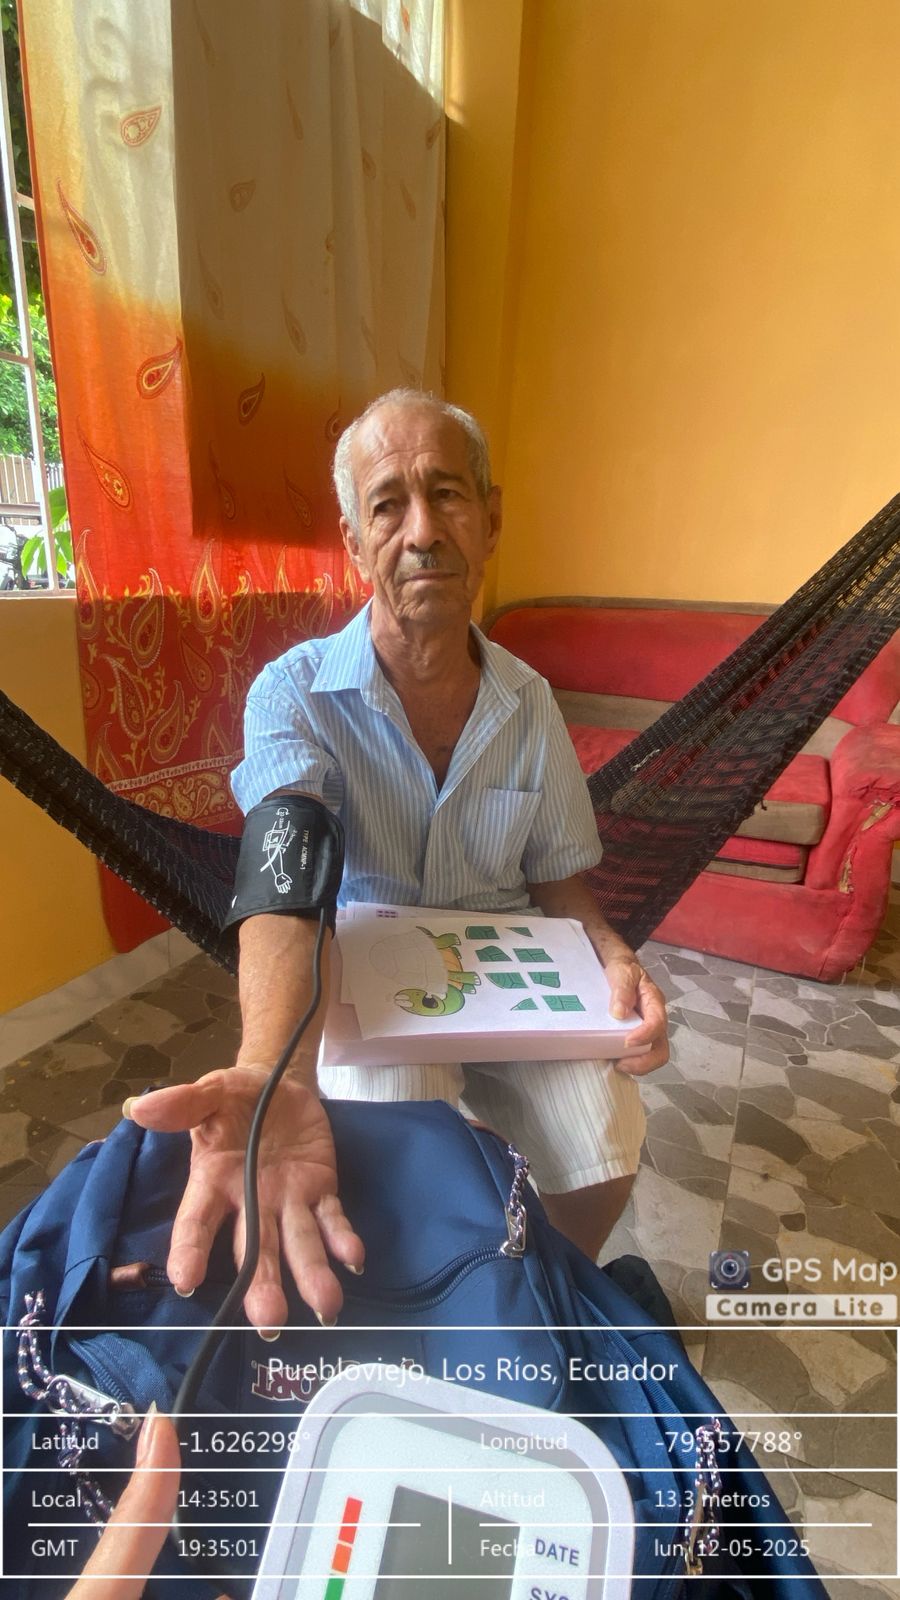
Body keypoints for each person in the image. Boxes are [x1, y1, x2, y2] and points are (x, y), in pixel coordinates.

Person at [126, 390, 669, 1334]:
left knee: (609, 1132)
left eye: (447, 494)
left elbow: (560, 881)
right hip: (366, 983)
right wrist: (271, 1069)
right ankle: (428, 1315)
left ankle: (538, 1298)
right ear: (354, 540)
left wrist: (613, 951)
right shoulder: (293, 694)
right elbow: (286, 881)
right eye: (388, 504)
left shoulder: (531, 703)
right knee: (395, 1139)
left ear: (490, 520)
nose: (422, 531)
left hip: (511, 973)